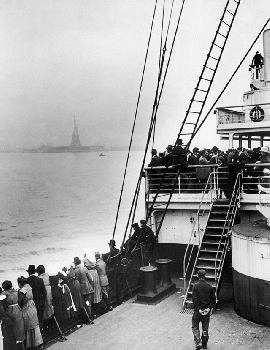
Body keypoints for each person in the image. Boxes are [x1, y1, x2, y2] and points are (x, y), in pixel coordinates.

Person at [192, 269, 216, 350]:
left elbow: (194, 300)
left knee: (195, 327)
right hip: (206, 311)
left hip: (197, 312)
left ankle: (198, 343)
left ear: (198, 276)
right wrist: (209, 308)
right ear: (205, 276)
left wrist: (199, 309)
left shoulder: (195, 286)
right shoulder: (209, 286)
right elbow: (213, 299)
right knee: (205, 328)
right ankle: (205, 344)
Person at [17, 276, 43, 349]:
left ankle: (30, 344)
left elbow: (19, 302)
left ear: (19, 283)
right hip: (32, 306)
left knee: (28, 325)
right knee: (34, 324)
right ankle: (37, 342)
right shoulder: (29, 287)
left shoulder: (22, 291)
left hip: (26, 308)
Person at [1, 280, 25, 349]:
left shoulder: (4, 293)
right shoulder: (16, 291)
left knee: (12, 329)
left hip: (10, 310)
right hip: (17, 309)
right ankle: (21, 345)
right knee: (19, 327)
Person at [73, 257, 94, 323]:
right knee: (88, 304)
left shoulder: (74, 271)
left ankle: (86, 318)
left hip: (80, 290)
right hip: (87, 288)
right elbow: (91, 279)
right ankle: (89, 318)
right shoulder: (84, 269)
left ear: (75, 264)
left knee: (83, 304)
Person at [26, 265, 47, 330]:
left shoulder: (27, 281)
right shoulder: (40, 280)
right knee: (40, 317)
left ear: (28, 272)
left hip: (32, 303)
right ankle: (42, 331)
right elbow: (44, 293)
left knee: (34, 320)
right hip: (40, 302)